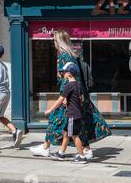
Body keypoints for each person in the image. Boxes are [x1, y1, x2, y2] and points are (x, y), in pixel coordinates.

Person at [30, 30, 112, 158]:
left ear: (59, 42)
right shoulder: (73, 56)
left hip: (68, 96)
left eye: (55, 41)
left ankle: (47, 148)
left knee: (55, 120)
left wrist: (64, 97)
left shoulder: (63, 57)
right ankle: (85, 149)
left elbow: (65, 80)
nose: (54, 43)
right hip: (79, 95)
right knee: (79, 123)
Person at [46, 62, 87, 164]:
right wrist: (69, 101)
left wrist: (50, 110)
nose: (63, 74)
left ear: (69, 74)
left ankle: (82, 157)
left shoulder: (69, 85)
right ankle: (61, 153)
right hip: (77, 113)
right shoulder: (78, 84)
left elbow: (60, 100)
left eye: (64, 72)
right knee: (65, 133)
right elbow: (81, 98)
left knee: (74, 136)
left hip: (72, 115)